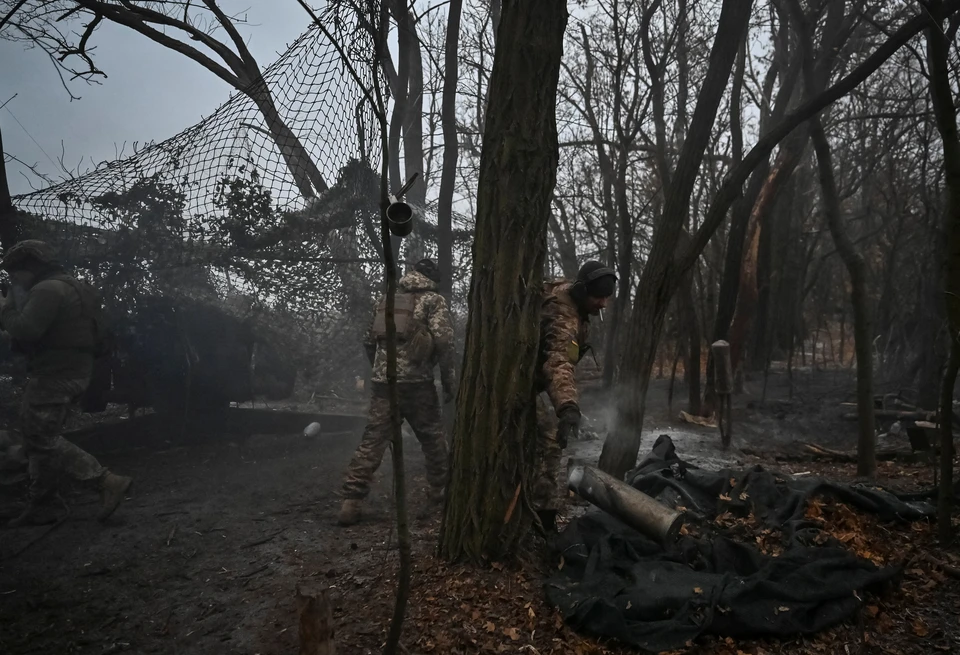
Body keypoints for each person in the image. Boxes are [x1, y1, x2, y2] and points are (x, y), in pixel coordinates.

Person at [0, 240, 132, 527]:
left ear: (29, 268)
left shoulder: (47, 289)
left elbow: (26, 329)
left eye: (15, 274)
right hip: (76, 369)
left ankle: (104, 480)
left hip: (55, 372)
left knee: (38, 437)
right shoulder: (75, 285)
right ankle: (43, 505)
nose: (14, 280)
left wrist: (6, 306)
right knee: (42, 437)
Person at [338, 258, 456, 526]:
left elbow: (370, 341)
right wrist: (448, 381)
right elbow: (445, 342)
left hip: (385, 383)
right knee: (433, 439)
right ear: (432, 278)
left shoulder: (388, 299)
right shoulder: (433, 301)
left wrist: (380, 370)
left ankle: (351, 502)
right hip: (418, 384)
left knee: (372, 442)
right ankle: (439, 494)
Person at [534, 260, 617, 530]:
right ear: (582, 291)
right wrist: (568, 406)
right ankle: (542, 521)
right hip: (519, 384)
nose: (603, 304)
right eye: (599, 296)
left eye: (607, 297)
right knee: (549, 443)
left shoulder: (569, 295)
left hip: (530, 383)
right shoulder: (563, 316)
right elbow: (558, 362)